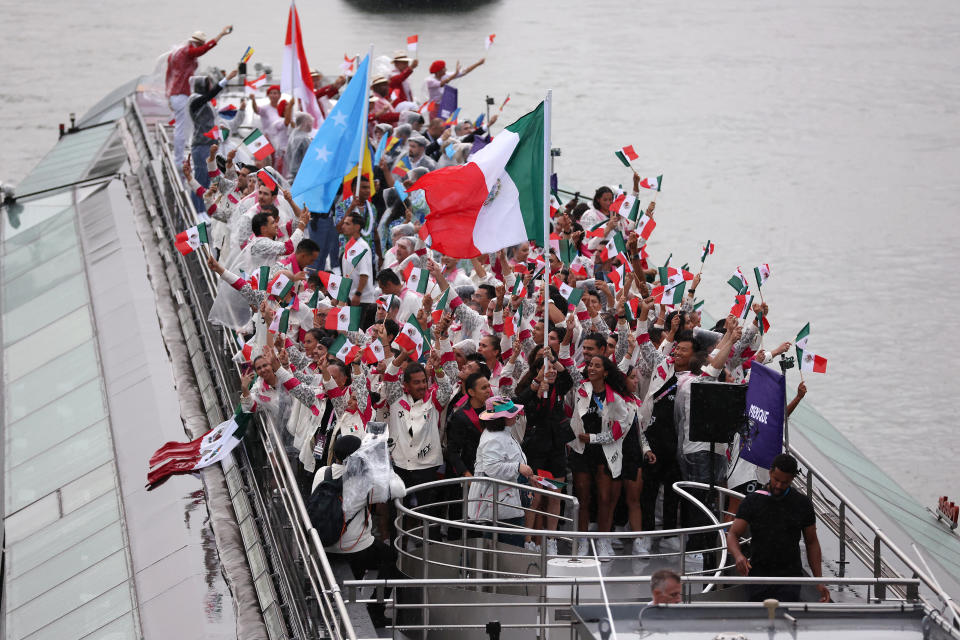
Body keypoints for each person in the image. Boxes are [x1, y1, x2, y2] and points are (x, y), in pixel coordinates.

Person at [316, 435, 406, 628]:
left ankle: (340, 602)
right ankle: (376, 609)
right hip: (353, 548)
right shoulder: (365, 483)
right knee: (390, 557)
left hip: (323, 544)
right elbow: (400, 490)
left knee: (362, 560)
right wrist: (384, 465)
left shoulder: (322, 473)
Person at [727, 453, 830, 603]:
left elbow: (812, 542)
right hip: (758, 576)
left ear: (792, 479)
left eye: (785, 482)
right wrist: (738, 555)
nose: (779, 486)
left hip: (790, 578)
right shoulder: (753, 500)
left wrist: (819, 581)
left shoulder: (802, 504)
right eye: (776, 479)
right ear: (770, 472)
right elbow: (733, 534)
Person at [467, 396, 538, 546]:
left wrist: (525, 474)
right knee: (507, 546)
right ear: (501, 418)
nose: (516, 415)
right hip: (500, 503)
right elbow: (492, 468)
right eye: (511, 413)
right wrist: (518, 468)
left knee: (496, 545)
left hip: (504, 500)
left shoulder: (501, 433)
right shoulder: (494, 438)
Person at [165, 26, 232, 168]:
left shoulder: (175, 53)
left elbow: (168, 75)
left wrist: (168, 94)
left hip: (175, 94)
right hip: (181, 94)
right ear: (198, 43)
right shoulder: (188, 52)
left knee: (182, 126)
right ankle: (178, 160)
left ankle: (180, 157)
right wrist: (220, 35)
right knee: (182, 128)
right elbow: (202, 51)